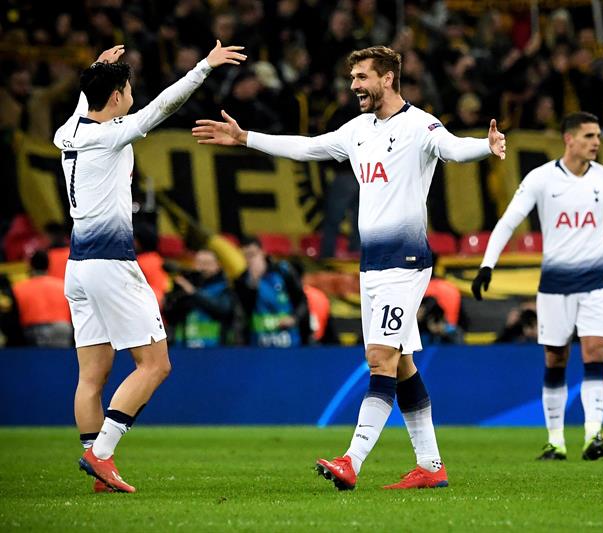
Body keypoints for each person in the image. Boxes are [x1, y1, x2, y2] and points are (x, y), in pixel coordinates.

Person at [193, 45, 505, 490]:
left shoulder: (420, 126)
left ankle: (351, 461)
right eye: (353, 78)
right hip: (372, 264)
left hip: (406, 261)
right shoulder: (357, 130)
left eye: (362, 77)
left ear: (388, 79)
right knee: (401, 365)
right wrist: (246, 139)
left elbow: (451, 149)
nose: (354, 85)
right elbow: (306, 148)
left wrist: (485, 146)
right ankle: (431, 467)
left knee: (379, 358)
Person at [52, 42, 246, 493]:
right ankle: (100, 455)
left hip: (77, 267)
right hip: (111, 264)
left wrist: (98, 71)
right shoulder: (110, 134)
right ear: (118, 95)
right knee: (156, 364)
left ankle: (100, 468)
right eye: (127, 87)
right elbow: (164, 104)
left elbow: (89, 98)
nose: (132, 93)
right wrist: (203, 66)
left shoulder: (69, 131)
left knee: (91, 377)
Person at [471, 112, 603, 461]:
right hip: (555, 284)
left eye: (598, 136)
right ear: (569, 139)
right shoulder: (541, 179)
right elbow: (509, 221)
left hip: (597, 282)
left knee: (595, 352)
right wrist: (486, 265)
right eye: (589, 136)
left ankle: (592, 438)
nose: (596, 142)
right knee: (555, 357)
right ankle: (555, 442)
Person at [234, 237, 309, 348]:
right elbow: (243, 312)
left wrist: (294, 318)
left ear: (262, 252)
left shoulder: (283, 271)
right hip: (258, 344)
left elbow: (302, 301)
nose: (250, 260)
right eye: (246, 256)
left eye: (253, 254)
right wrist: (253, 284)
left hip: (289, 340)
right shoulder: (242, 281)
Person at [163, 248, 239, 348]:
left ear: (217, 265)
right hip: (183, 349)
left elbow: (222, 309)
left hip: (214, 349)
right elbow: (170, 315)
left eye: (207, 263)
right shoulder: (185, 286)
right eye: (199, 263)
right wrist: (176, 294)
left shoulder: (224, 289)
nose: (203, 267)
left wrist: (193, 293)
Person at [12, 250, 73, 347]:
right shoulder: (63, 286)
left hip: (34, 332)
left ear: (30, 266)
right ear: (48, 266)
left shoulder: (18, 288)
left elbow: (13, 319)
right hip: (62, 330)